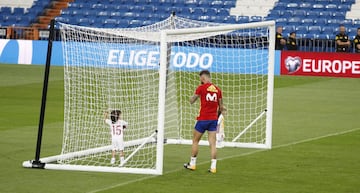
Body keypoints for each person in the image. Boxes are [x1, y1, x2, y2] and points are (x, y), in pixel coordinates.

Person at [184, 70, 225, 174]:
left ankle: (192, 164)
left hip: (202, 119)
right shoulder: (218, 90)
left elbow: (192, 101)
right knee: (212, 144)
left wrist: (192, 97)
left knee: (195, 141)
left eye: (201, 78)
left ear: (203, 78)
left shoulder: (201, 88)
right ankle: (213, 167)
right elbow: (221, 107)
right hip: (213, 120)